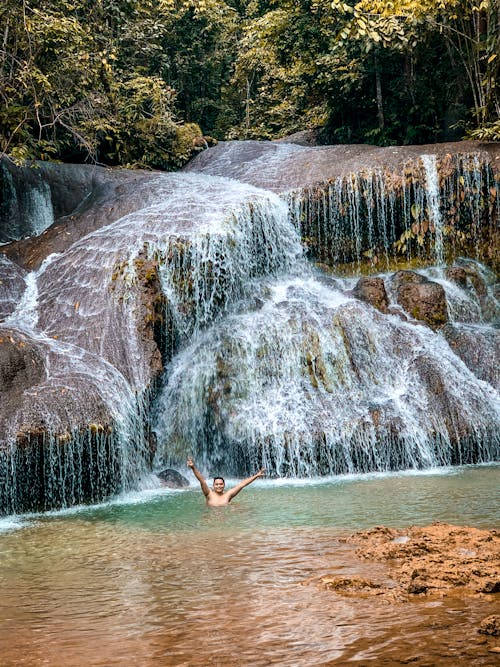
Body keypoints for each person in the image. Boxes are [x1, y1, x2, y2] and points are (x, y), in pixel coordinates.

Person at [187, 457, 265, 507]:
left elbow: (242, 484)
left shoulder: (228, 494)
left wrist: (256, 476)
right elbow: (202, 481)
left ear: (224, 485)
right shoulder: (209, 494)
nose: (219, 486)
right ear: (213, 486)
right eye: (216, 484)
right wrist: (193, 468)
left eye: (221, 484)